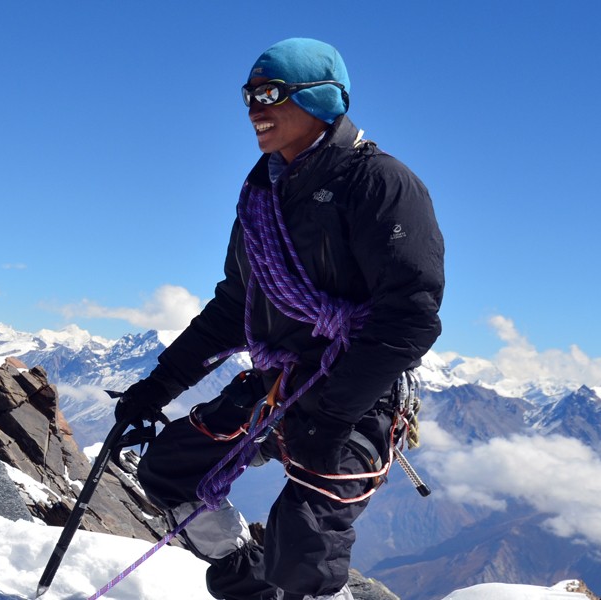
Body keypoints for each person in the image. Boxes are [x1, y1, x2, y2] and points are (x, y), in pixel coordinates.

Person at [114, 38, 444, 600]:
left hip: (355, 395)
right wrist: (157, 386)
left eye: (270, 92)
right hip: (280, 385)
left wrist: (333, 415)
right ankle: (248, 586)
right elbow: (235, 305)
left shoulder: (380, 184)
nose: (254, 108)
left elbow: (410, 317)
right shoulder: (262, 193)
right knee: (170, 471)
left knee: (304, 545)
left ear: (321, 100)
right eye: (248, 95)